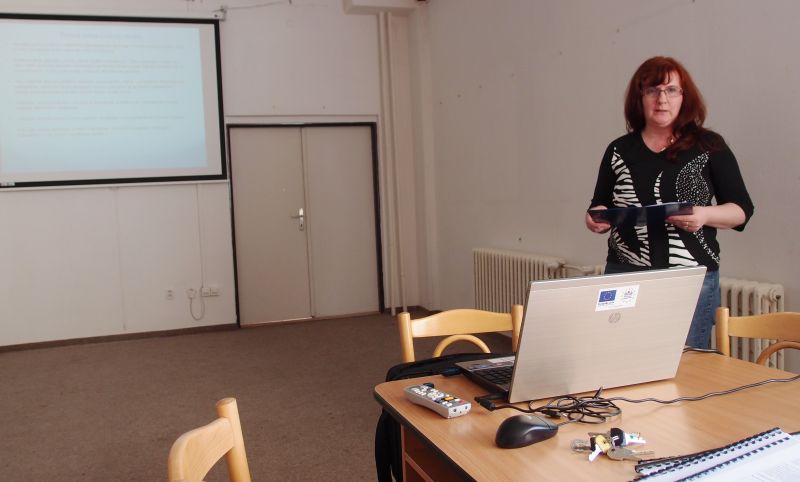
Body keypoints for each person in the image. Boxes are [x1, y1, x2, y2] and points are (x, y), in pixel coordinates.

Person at [585, 56, 754, 349]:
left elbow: (741, 210)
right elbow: (599, 204)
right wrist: (595, 217)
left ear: (684, 97)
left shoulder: (709, 145)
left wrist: (703, 215)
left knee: (687, 364)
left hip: (690, 277)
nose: (662, 99)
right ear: (640, 97)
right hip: (625, 273)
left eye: (671, 90)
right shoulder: (619, 150)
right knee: (620, 356)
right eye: (652, 90)